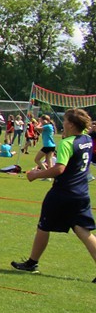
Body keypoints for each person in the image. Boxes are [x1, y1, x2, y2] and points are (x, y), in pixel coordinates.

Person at [11, 109, 96, 283]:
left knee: (44, 226)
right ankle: (31, 262)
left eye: (65, 121)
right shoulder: (87, 139)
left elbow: (59, 169)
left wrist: (36, 174)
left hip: (63, 193)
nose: (62, 123)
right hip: (81, 193)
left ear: (71, 124)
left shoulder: (67, 143)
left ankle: (32, 263)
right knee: (83, 231)